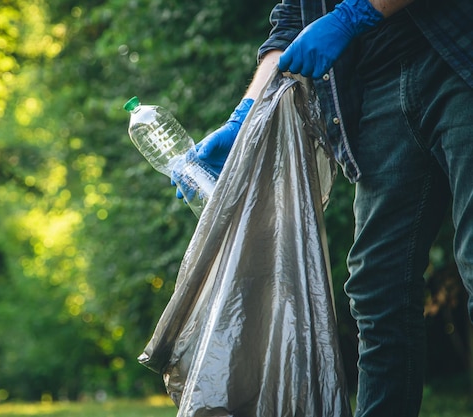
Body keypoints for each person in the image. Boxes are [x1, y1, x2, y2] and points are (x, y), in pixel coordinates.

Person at [173, 0, 473, 416]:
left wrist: (354, 13)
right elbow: (291, 21)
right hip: (378, 85)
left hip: (456, 53)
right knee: (377, 291)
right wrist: (244, 118)